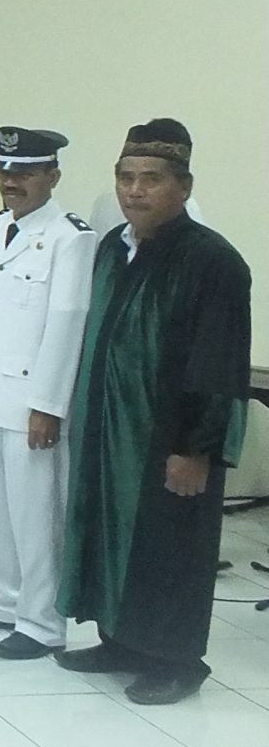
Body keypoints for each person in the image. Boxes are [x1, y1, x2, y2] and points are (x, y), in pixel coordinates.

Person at [59, 119, 254, 704]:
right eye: (126, 178)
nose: (135, 191)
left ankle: (177, 661)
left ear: (184, 187)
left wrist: (194, 448)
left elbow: (218, 363)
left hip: (169, 440)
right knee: (110, 538)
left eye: (151, 179)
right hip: (109, 434)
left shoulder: (211, 260)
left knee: (171, 549)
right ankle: (120, 640)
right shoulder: (113, 249)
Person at [0, 128, 95, 658]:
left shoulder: (70, 237)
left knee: (36, 520)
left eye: (26, 172)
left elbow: (67, 322)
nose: (11, 182)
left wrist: (48, 406)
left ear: (52, 176)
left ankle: (41, 624)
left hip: (31, 402)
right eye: (4, 171)